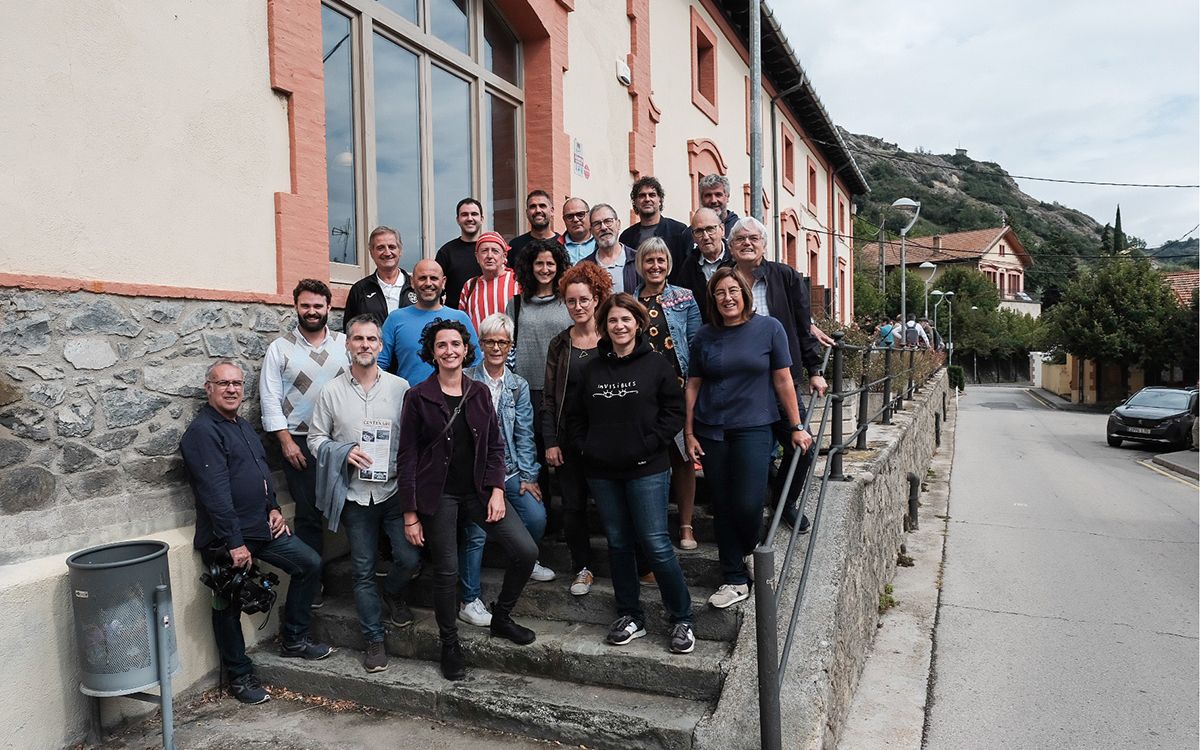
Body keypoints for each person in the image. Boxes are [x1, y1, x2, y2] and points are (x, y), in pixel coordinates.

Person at [182, 361, 333, 705]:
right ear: (209, 389)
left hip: (262, 527)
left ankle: (294, 638)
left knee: (309, 563)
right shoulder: (204, 432)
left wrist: (273, 507)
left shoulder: (241, 425)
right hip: (226, 538)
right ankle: (239, 675)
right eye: (224, 384)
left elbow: (260, 473)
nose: (232, 389)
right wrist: (234, 543)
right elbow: (215, 493)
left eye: (236, 383)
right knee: (228, 606)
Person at [397, 319, 540, 681]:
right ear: (432, 352)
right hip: (438, 495)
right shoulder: (417, 397)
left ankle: (502, 617)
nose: (449, 351)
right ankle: (449, 644)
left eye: (456, 344)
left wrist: (495, 490)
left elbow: (494, 445)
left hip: (478, 491)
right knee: (447, 570)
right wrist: (410, 513)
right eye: (442, 345)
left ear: (465, 349)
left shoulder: (478, 393)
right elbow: (407, 457)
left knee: (525, 551)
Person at [566, 293, 694, 654]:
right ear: (604, 327)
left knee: (654, 543)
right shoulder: (590, 369)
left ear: (638, 323)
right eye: (612, 321)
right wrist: (587, 447)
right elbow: (575, 418)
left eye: (626, 320)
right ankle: (630, 615)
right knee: (619, 544)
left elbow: (673, 412)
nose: (619, 326)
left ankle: (682, 617)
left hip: (647, 469)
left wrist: (648, 444)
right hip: (602, 471)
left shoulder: (656, 366)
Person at [684, 269, 812, 609]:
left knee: (748, 503)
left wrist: (797, 426)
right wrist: (689, 431)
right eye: (719, 293)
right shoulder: (704, 336)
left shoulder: (769, 329)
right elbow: (693, 385)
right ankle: (734, 578)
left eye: (732, 291)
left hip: (754, 426)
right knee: (723, 507)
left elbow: (784, 380)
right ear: (712, 299)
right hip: (712, 429)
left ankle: (748, 552)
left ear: (744, 293)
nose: (726, 297)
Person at [307, 315, 421, 674]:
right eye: (358, 339)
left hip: (393, 492)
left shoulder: (401, 388)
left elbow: (414, 439)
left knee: (409, 559)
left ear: (381, 346)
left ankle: (396, 593)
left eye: (372, 339)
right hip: (355, 496)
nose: (365, 345)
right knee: (362, 570)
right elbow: (314, 440)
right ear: (347, 345)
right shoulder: (331, 391)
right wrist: (343, 452)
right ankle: (374, 639)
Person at [728, 217, 827, 532]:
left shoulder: (784, 276)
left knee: (801, 447)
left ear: (764, 243)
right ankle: (751, 511)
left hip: (781, 377)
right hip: (741, 383)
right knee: (749, 452)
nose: (747, 242)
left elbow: (802, 324)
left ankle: (785, 503)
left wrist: (814, 370)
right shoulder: (724, 280)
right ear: (731, 246)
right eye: (740, 238)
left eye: (753, 237)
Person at [459, 313, 557, 627]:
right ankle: (469, 599)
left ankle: (526, 559)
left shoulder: (517, 385)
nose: (496, 347)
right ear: (481, 343)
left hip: (511, 469)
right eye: (490, 341)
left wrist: (529, 476)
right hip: (476, 474)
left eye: (502, 342)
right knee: (474, 534)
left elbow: (524, 433)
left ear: (510, 345)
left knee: (536, 516)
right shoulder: (465, 380)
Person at [259, 279, 348, 605]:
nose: (312, 311)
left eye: (318, 306)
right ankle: (314, 585)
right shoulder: (280, 348)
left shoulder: (344, 344)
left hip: (341, 441)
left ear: (329, 308)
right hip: (299, 442)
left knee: (353, 508)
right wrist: (285, 442)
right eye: (305, 306)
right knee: (309, 515)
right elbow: (270, 398)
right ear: (296, 307)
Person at [543, 261, 612, 596]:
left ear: (596, 298)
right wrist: (551, 442)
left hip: (608, 439)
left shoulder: (613, 337)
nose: (578, 307)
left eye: (584, 299)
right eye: (571, 301)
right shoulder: (559, 344)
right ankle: (582, 567)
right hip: (569, 440)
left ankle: (627, 563)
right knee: (572, 507)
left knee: (612, 504)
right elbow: (549, 399)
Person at [634, 237, 702, 550]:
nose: (655, 266)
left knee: (683, 458)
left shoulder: (684, 297)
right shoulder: (629, 301)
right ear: (640, 265)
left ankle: (686, 526)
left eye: (661, 260)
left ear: (668, 264)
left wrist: (693, 385)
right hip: (642, 393)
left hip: (678, 388)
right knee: (651, 459)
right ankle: (655, 526)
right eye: (649, 260)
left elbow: (696, 344)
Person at [506, 237, 572, 489]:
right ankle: (542, 521)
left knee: (565, 457)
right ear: (529, 267)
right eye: (539, 264)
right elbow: (508, 345)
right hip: (528, 390)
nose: (545, 269)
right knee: (534, 457)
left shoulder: (568, 302)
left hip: (562, 389)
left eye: (550, 264)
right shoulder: (516, 304)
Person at [378, 259, 480, 384]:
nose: (428, 283)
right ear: (412, 282)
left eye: (433, 278)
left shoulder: (460, 318)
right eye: (422, 278)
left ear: (443, 282)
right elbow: (379, 365)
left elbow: (476, 365)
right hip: (409, 399)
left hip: (455, 400)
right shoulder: (395, 319)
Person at [343, 226, 416, 331]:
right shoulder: (360, 289)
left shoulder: (416, 286)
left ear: (400, 250)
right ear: (371, 252)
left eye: (392, 247)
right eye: (380, 248)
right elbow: (349, 331)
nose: (387, 253)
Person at [618, 176, 690, 271]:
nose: (647, 199)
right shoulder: (627, 237)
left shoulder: (678, 231)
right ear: (635, 202)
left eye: (652, 195)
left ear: (660, 200)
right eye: (642, 195)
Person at [674, 207, 733, 321]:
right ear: (693, 237)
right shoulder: (688, 267)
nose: (705, 237)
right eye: (699, 231)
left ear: (722, 230)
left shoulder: (736, 261)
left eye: (710, 229)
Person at [458, 231, 521, 333]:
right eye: (484, 251)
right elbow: (462, 323)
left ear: (504, 256)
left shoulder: (518, 281)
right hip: (478, 347)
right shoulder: (470, 286)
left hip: (510, 347)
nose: (489, 256)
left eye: (495, 251)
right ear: (477, 257)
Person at [435, 198, 485, 310]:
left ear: (481, 219)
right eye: (464, 215)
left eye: (474, 214)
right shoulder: (446, 252)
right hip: (455, 320)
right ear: (458, 219)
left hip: (488, 317)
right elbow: (436, 288)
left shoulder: (491, 250)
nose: (470, 218)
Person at [582, 203, 639, 294]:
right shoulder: (584, 267)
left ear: (618, 224)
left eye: (608, 221)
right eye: (597, 224)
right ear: (591, 231)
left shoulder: (638, 260)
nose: (603, 227)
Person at [508, 190, 559, 267]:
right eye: (533, 207)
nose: (538, 210)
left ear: (552, 211)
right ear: (527, 213)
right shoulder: (515, 245)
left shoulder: (562, 243)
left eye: (542, 206)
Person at [697, 173, 740, 239]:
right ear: (701, 199)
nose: (713, 200)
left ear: (727, 197)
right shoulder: (691, 233)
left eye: (718, 195)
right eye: (708, 195)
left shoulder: (740, 228)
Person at [559, 197, 595, 264]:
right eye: (570, 216)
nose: (575, 219)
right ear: (564, 220)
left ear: (589, 215)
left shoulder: (601, 243)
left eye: (580, 214)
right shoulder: (556, 246)